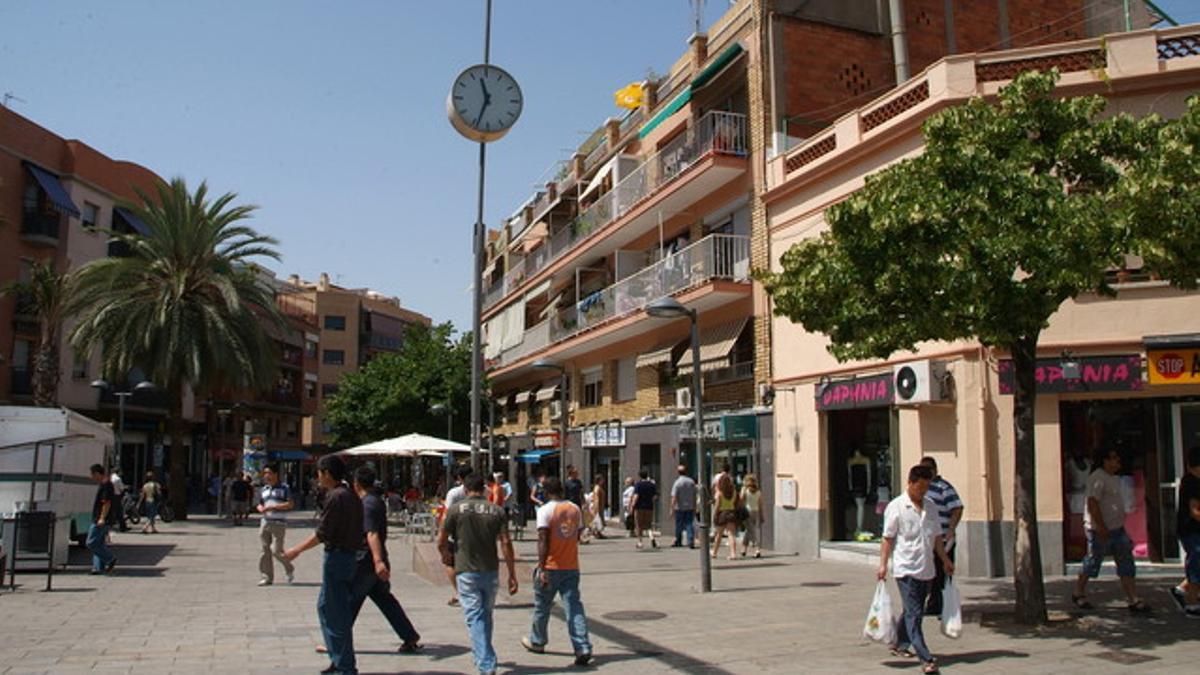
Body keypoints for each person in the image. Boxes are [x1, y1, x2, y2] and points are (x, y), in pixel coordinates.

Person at [282, 454, 364, 675]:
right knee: (327, 608)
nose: (317, 478)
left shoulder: (336, 497)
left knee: (334, 611)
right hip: (347, 556)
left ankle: (344, 665)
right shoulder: (350, 495)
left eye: (319, 473)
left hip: (338, 557)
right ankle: (338, 659)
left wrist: (296, 550)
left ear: (327, 473)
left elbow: (323, 533)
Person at [437, 473, 518, 675]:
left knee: (474, 616)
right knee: (485, 615)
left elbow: (441, 539)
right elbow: (506, 543)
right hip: (490, 570)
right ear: (484, 489)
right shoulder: (496, 511)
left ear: (465, 489)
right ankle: (483, 654)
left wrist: (445, 555)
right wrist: (512, 573)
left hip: (465, 571)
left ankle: (486, 663)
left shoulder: (456, 510)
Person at [878, 464, 955, 675]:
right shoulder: (896, 507)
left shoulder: (930, 506)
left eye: (926, 488)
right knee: (914, 613)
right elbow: (887, 539)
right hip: (905, 568)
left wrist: (945, 559)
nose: (923, 492)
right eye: (920, 488)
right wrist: (883, 564)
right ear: (910, 483)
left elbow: (937, 537)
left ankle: (899, 643)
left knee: (914, 610)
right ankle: (926, 658)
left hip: (927, 568)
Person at [520, 477, 593, 666]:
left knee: (542, 606)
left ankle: (537, 641)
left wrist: (542, 566)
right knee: (574, 607)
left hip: (551, 566)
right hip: (571, 565)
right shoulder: (574, 509)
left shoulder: (545, 510)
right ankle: (582, 646)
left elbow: (543, 539)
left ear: (546, 491)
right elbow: (577, 535)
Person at [350, 466, 422, 653]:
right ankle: (409, 636)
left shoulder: (367, 504)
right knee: (386, 601)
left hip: (367, 562)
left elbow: (371, 533)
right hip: (375, 560)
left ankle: (336, 641)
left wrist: (378, 561)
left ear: (356, 484)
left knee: (350, 602)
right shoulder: (375, 501)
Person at [1071, 447, 1150, 613]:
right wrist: (1100, 527)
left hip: (1117, 528)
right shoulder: (1097, 478)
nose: (1117, 461)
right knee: (1093, 562)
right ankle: (1078, 592)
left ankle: (1133, 598)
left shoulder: (1113, 478)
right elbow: (1092, 503)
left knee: (1126, 561)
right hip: (1100, 530)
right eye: (1113, 458)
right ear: (1104, 461)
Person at [919, 457, 962, 615]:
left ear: (934, 470)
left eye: (927, 468)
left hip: (943, 539)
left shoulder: (944, 487)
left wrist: (951, 528)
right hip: (927, 540)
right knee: (929, 574)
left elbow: (957, 508)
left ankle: (941, 605)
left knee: (941, 574)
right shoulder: (922, 488)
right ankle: (932, 604)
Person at [1169, 446, 1200, 617]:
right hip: (1191, 531)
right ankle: (1192, 603)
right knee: (1196, 565)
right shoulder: (1192, 483)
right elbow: (1195, 511)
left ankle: (1181, 590)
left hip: (1193, 530)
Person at [257, 463, 296, 586]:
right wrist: (260, 508)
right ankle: (267, 577)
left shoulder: (284, 488)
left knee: (276, 551)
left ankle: (289, 567)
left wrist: (274, 507)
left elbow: (290, 504)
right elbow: (260, 504)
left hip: (278, 523)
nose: (266, 476)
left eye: (269, 473)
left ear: (276, 474)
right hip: (265, 522)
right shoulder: (264, 489)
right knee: (265, 550)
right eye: (265, 473)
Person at [442, 465, 473, 607]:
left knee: (449, 562)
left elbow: (447, 514)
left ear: (459, 478)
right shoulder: (484, 490)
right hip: (476, 534)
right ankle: (468, 593)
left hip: (456, 533)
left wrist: (442, 532)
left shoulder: (454, 493)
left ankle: (459, 592)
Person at [87, 463, 118, 574]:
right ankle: (98, 567)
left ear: (97, 473)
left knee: (91, 542)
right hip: (102, 518)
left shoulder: (105, 484)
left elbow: (106, 503)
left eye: (92, 474)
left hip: (100, 519)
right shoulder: (105, 483)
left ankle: (110, 558)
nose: (91, 477)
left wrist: (102, 518)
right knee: (99, 543)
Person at [711, 472, 739, 560]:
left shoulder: (720, 493)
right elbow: (736, 503)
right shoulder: (734, 492)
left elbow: (717, 506)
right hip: (731, 513)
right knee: (731, 534)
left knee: (719, 535)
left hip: (722, 514)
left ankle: (714, 552)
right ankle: (733, 553)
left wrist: (715, 515)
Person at [670, 465, 697, 548]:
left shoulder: (677, 482)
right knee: (689, 524)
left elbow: (674, 496)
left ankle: (678, 540)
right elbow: (694, 495)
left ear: (678, 472)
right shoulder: (691, 482)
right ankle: (690, 540)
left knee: (679, 525)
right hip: (690, 506)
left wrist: (672, 508)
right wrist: (695, 506)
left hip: (680, 507)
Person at [631, 469, 658, 549]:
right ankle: (652, 537)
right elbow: (655, 497)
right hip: (649, 507)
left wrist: (632, 505)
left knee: (639, 525)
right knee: (648, 525)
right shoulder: (652, 485)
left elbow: (636, 496)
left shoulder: (638, 485)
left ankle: (640, 542)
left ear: (639, 476)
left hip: (639, 507)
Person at [740, 473, 764, 558]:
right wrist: (762, 515)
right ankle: (744, 549)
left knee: (751, 531)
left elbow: (741, 500)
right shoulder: (758, 492)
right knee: (749, 531)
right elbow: (760, 505)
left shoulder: (745, 490)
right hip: (756, 512)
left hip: (747, 512)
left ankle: (757, 549)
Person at [588, 475, 607, 539]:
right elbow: (596, 498)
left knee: (598, 519)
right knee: (597, 519)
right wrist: (596, 508)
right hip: (597, 506)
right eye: (602, 479)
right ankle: (596, 533)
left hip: (600, 506)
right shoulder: (597, 488)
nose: (603, 481)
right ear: (599, 480)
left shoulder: (599, 487)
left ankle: (597, 533)